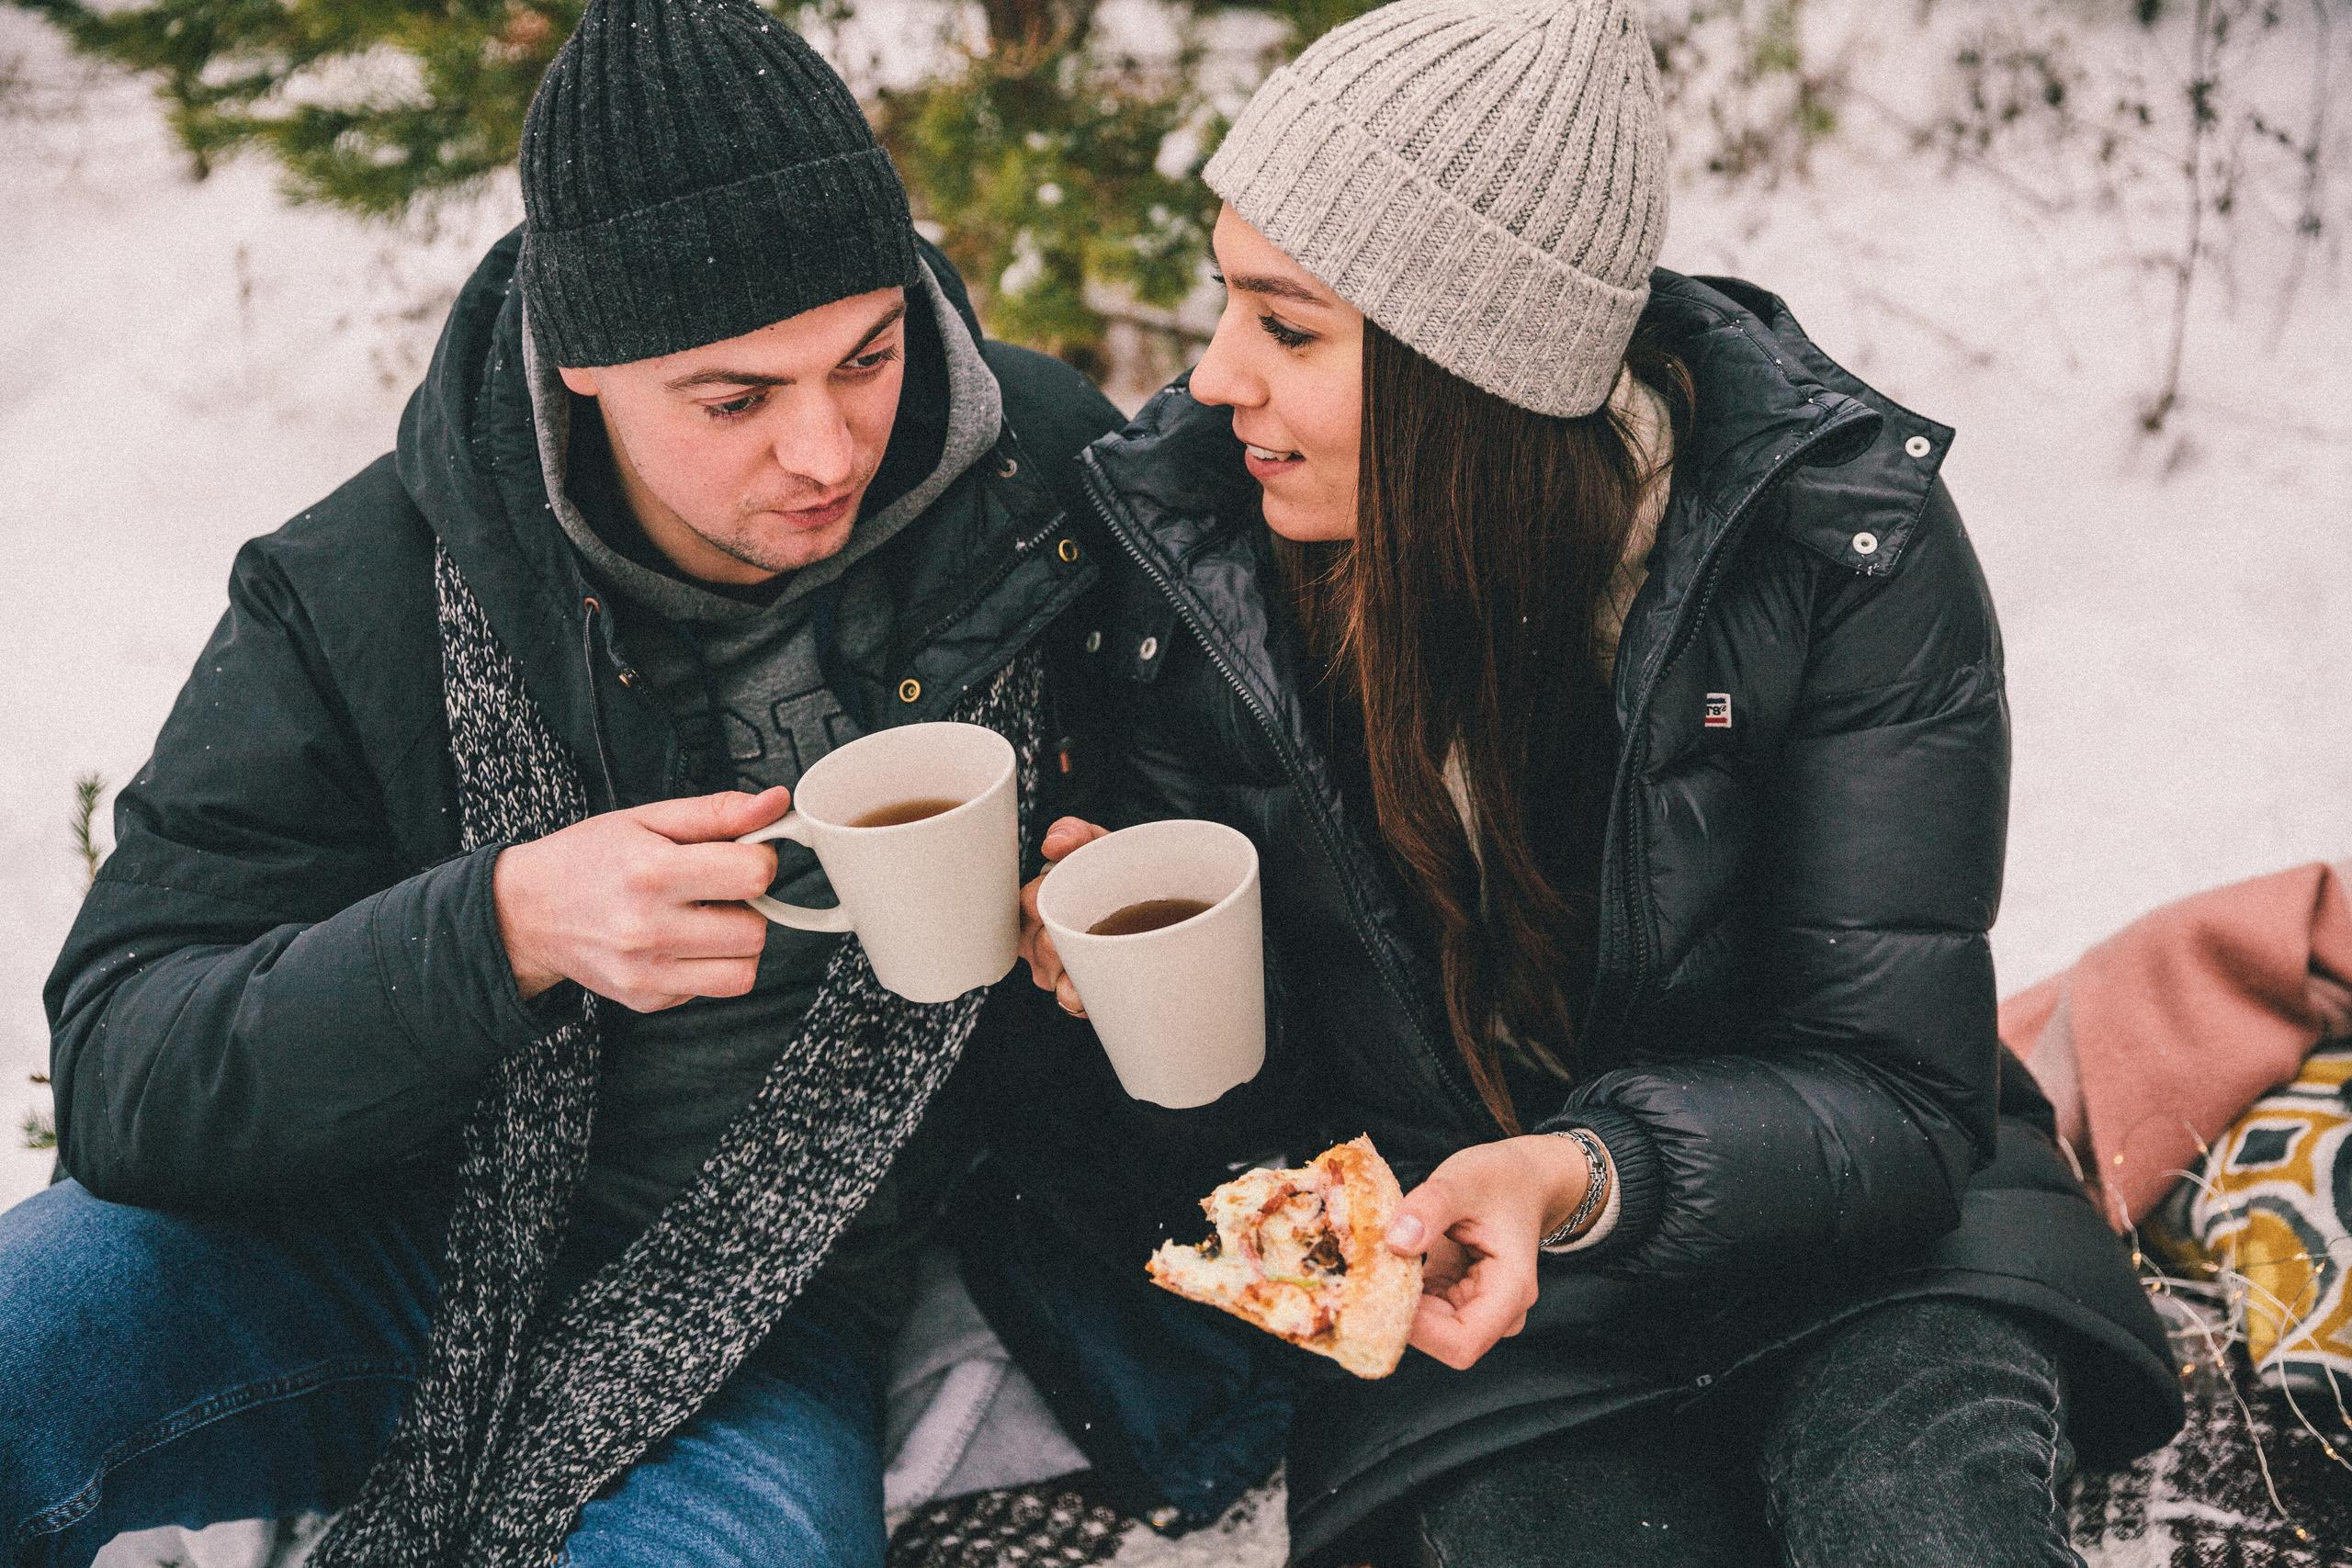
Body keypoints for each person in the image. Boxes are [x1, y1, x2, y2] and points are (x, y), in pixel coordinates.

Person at [1010, 1, 2187, 1563]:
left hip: (1852, 1237)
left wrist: (1586, 1172)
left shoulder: (1833, 553)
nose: (1214, 377)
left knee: (1921, 1527)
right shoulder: (1199, 573)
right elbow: (1244, 1161)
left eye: (1288, 329)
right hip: (1473, 1302)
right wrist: (1132, 1008)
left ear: (1470, 380)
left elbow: (1901, 1099)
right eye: (1225, 300)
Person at [0, 0, 1125, 1562]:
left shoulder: (1046, 484)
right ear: (585, 368)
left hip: (765, 1309)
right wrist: (502, 929)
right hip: (377, 1237)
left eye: (869, 355)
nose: (826, 449)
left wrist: (1104, 895)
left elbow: (1251, 825)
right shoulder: (364, 588)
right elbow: (127, 1067)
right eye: (735, 399)